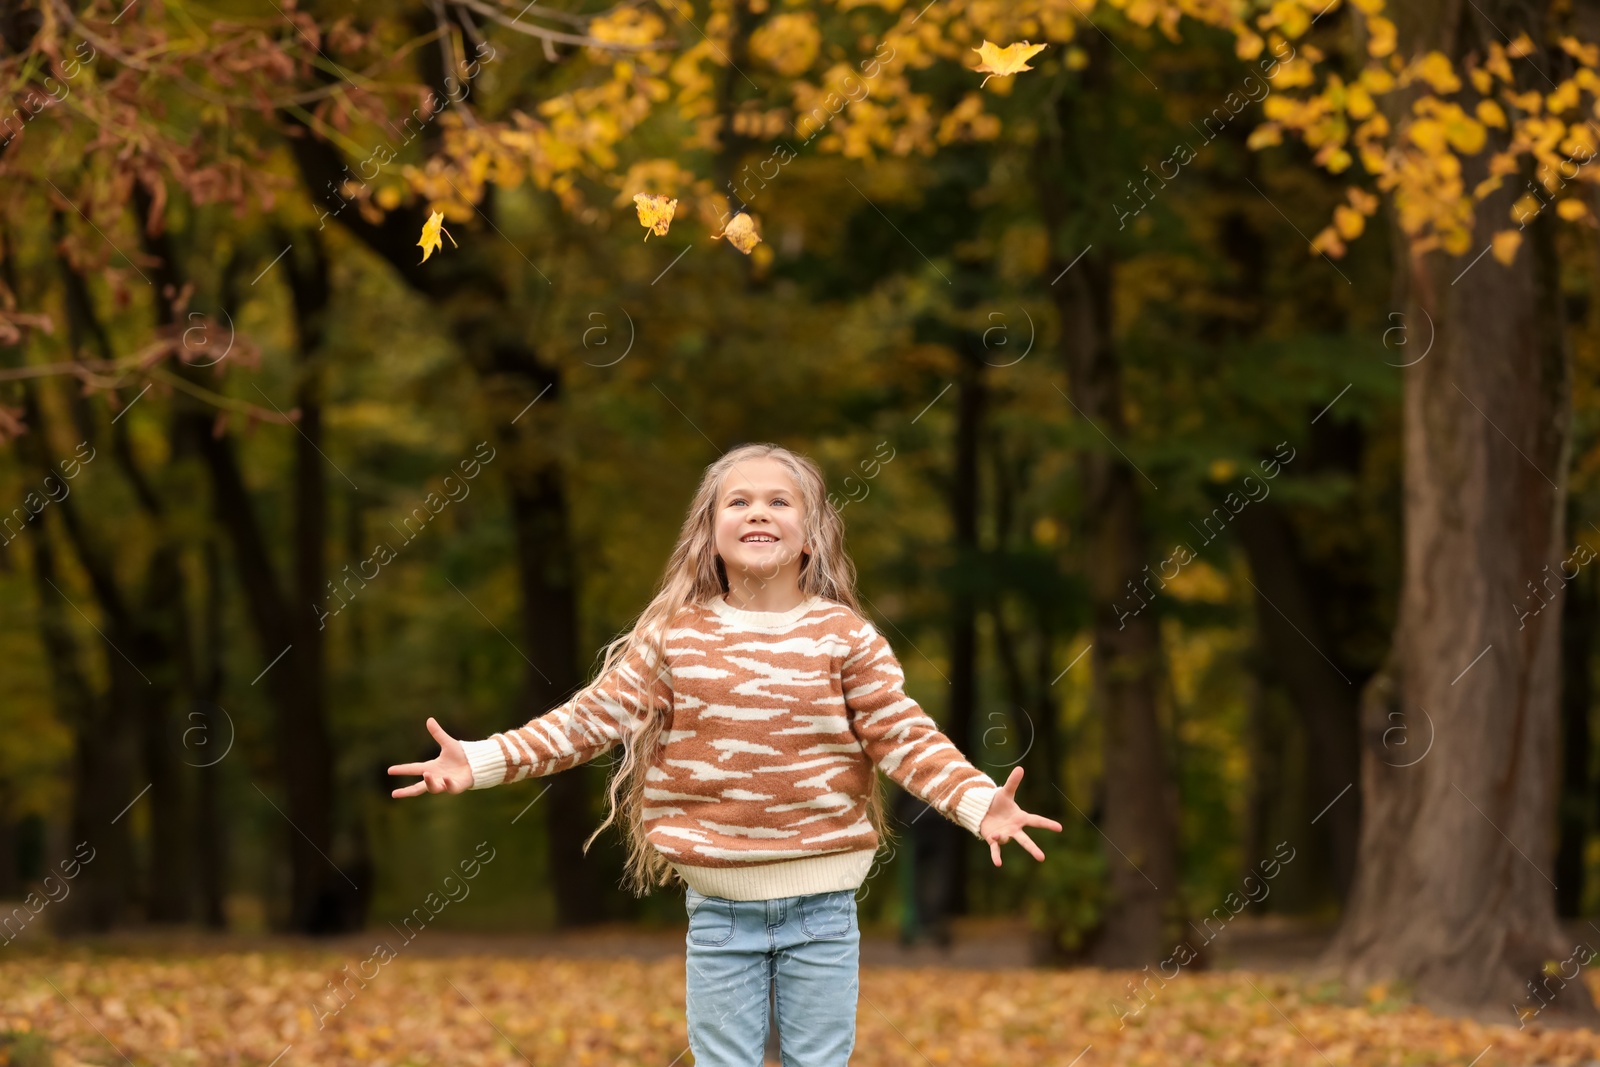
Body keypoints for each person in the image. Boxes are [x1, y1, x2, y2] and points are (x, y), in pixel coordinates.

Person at [388, 442, 1062, 1066]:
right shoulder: (673, 636)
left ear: (812, 532)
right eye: (737, 501)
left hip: (823, 908)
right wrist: (477, 760)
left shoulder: (844, 637)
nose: (758, 511)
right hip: (719, 911)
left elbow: (904, 735)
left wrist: (978, 803)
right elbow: (588, 721)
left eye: (779, 500)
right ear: (710, 531)